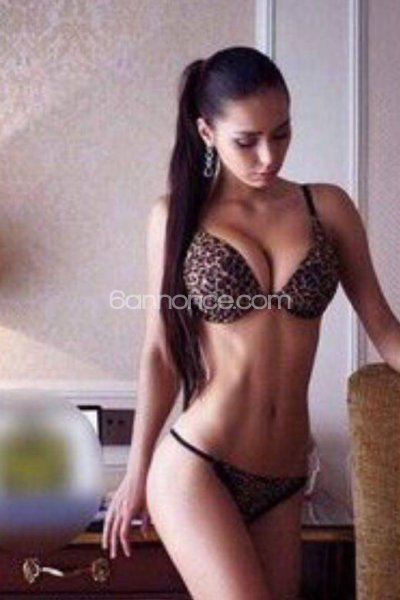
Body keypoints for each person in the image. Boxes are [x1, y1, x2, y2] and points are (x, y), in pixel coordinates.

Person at [102, 46, 400, 600]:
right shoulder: (177, 217)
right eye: (247, 140)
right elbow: (161, 353)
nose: (269, 156)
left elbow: (384, 329)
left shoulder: (327, 208)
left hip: (283, 480)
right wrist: (136, 470)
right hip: (199, 466)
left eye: (281, 134)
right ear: (206, 132)